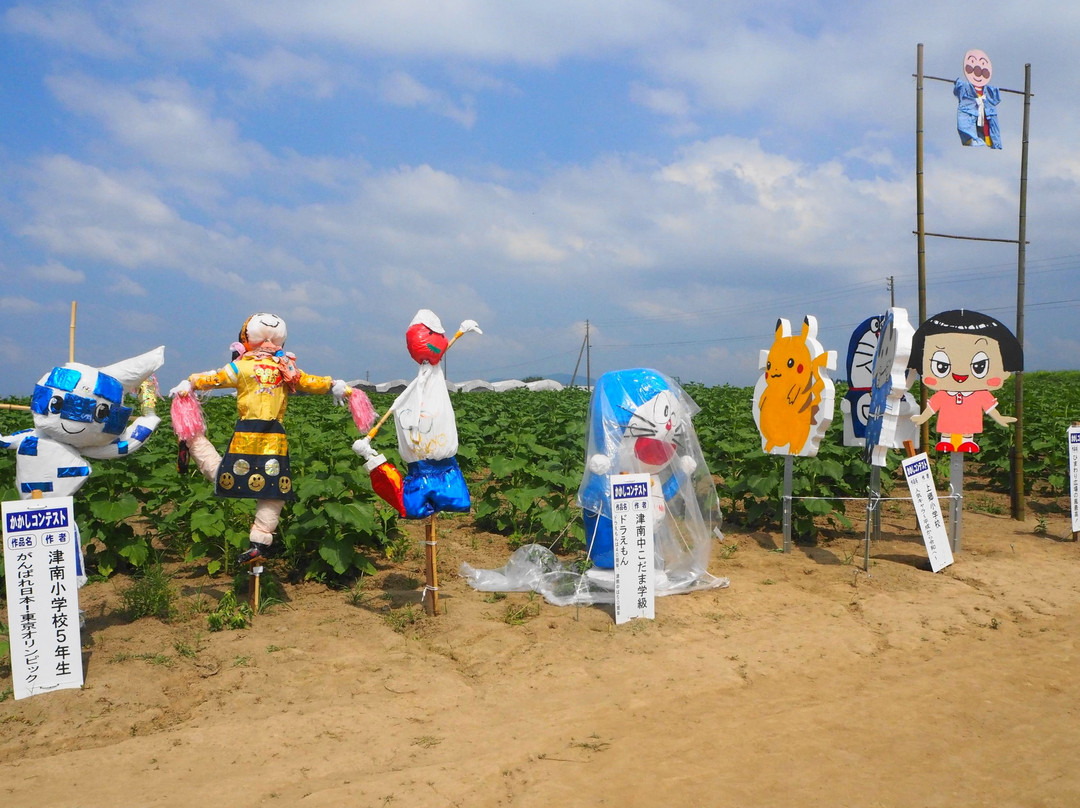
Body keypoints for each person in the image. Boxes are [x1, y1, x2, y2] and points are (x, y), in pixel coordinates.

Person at [170, 313, 349, 563]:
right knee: (256, 485)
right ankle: (260, 537)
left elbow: (216, 379)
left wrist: (190, 384)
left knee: (251, 483)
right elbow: (307, 382)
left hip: (259, 436)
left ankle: (194, 442)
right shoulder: (269, 367)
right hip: (263, 436)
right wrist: (335, 385)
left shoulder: (262, 368)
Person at [908, 309, 1022, 452]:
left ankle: (967, 441)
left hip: (968, 421)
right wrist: (922, 418)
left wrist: (999, 418)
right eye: (941, 366)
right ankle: (946, 440)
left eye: (979, 366)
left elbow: (990, 408)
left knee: (967, 430)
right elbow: (933, 407)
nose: (960, 374)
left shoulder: (979, 395)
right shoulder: (943, 395)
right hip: (948, 421)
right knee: (948, 430)